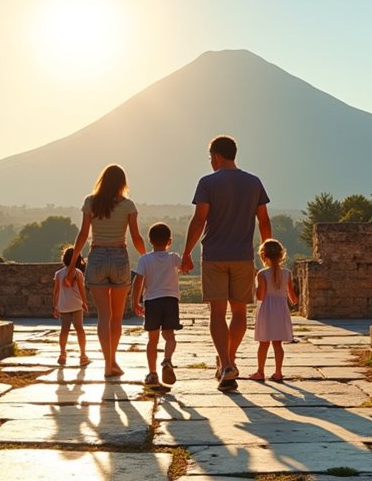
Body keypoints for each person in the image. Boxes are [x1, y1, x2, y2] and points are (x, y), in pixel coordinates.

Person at [181, 135, 271, 391]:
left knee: (218, 312)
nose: (210, 162)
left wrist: (186, 252)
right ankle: (228, 361)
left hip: (214, 256)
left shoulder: (207, 182)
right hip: (243, 256)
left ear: (217, 156)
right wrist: (267, 251)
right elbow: (264, 220)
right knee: (240, 312)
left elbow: (199, 220)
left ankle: (226, 363)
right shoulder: (254, 182)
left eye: (210, 157)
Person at [66, 164, 147, 378]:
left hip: (97, 256)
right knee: (116, 318)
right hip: (119, 256)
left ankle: (108, 364)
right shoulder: (128, 205)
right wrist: (147, 258)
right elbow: (136, 237)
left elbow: (83, 235)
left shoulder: (90, 202)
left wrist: (72, 266)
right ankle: (112, 361)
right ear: (122, 183)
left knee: (104, 316)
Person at [131, 223, 183, 388]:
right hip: (170, 300)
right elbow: (187, 267)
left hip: (152, 301)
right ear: (169, 241)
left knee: (152, 340)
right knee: (170, 336)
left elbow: (138, 281)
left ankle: (152, 373)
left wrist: (135, 301)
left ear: (150, 241)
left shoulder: (144, 259)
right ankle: (167, 360)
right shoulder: (174, 258)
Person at [249, 239, 297, 381]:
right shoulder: (287, 273)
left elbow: (260, 296)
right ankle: (278, 372)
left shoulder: (262, 274)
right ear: (281, 255)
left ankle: (260, 372)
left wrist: (255, 285)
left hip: (266, 309)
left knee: (264, 343)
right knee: (278, 343)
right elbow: (293, 298)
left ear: (263, 255)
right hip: (281, 309)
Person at [52, 247, 90, 366]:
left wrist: (55, 306)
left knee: (64, 330)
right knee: (80, 329)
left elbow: (56, 291)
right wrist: (84, 302)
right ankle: (83, 355)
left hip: (63, 305)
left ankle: (62, 354)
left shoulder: (58, 274)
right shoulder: (78, 273)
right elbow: (81, 289)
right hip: (76, 305)